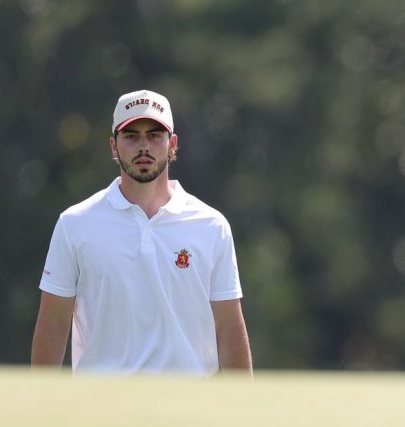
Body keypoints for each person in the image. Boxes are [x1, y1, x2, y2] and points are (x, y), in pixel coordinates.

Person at [31, 89, 252, 376]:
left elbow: (229, 328)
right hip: (100, 407)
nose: (143, 146)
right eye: (131, 136)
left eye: (154, 136)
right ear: (114, 146)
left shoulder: (211, 226)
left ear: (172, 144)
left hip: (190, 408)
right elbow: (54, 324)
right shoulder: (75, 224)